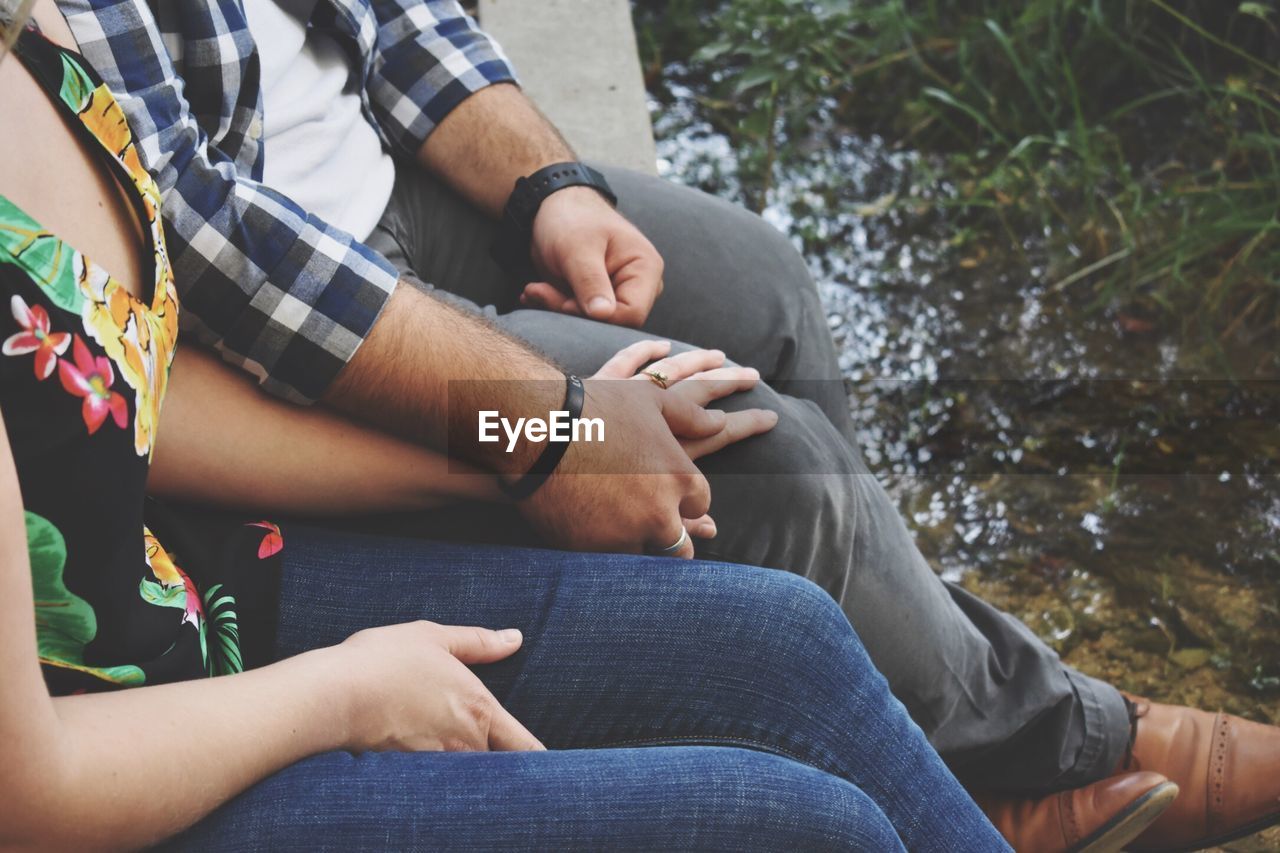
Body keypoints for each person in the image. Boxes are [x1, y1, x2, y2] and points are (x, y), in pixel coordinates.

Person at [44, 0, 1280, 850]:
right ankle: (1044, 745)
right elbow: (203, 263)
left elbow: (390, 22)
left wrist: (551, 190)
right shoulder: (49, 110)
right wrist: (550, 438)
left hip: (351, 238)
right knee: (758, 457)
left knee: (760, 287)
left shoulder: (38, 112)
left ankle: (946, 727)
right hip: (261, 388)